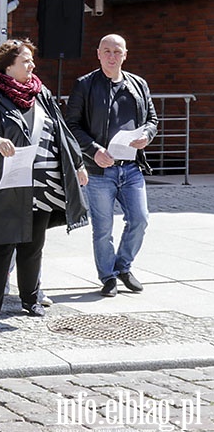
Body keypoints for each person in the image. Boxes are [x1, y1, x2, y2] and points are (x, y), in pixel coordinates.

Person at [0, 39, 88, 333]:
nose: (32, 66)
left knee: (33, 246)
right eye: (26, 62)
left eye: (32, 61)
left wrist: (78, 164)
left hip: (42, 183)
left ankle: (30, 300)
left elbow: (62, 131)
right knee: (0, 247)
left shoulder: (41, 93)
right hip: (7, 185)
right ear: (8, 67)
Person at [65, 33, 158, 298]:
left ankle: (123, 267)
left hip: (131, 167)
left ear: (125, 55)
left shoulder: (138, 84)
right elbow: (71, 125)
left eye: (117, 52)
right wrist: (93, 150)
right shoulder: (84, 85)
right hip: (99, 169)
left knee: (140, 220)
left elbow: (152, 118)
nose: (112, 56)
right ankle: (107, 277)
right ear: (98, 53)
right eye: (107, 51)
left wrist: (147, 136)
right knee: (103, 228)